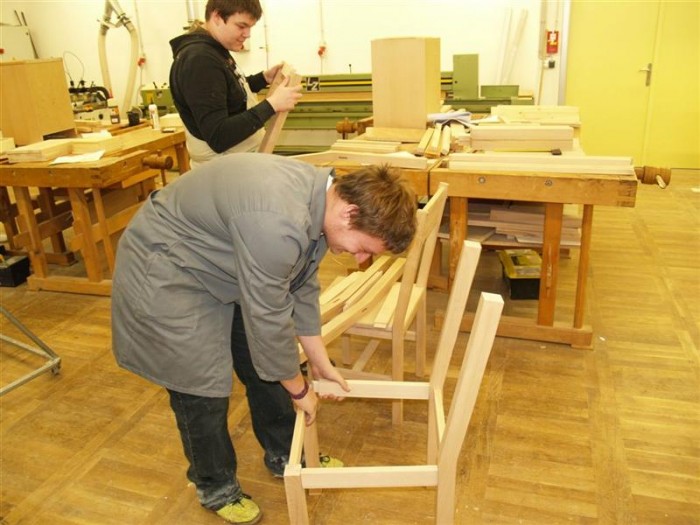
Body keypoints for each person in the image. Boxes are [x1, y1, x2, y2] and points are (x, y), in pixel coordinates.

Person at [111, 153, 417, 524]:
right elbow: (269, 320)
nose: (359, 259)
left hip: (224, 263)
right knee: (201, 387)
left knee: (267, 366)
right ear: (349, 213)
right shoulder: (278, 221)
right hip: (169, 266)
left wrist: (319, 362)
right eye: (364, 247)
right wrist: (300, 391)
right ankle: (216, 486)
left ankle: (286, 453)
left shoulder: (321, 201)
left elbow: (301, 285)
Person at [169, 0, 302, 167]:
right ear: (217, 17)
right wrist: (271, 105)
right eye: (241, 26)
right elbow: (219, 136)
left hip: (238, 164)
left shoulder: (213, 50)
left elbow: (227, 93)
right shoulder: (200, 60)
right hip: (224, 171)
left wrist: (262, 79)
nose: (247, 34)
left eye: (250, 27)